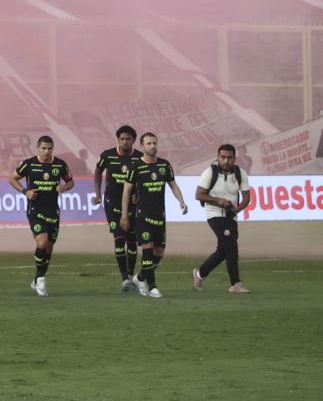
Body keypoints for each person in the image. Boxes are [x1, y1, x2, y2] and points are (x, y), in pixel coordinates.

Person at [122, 131, 187, 298]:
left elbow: (173, 185)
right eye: (149, 143)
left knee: (159, 252)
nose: (152, 146)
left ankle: (140, 277)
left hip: (160, 216)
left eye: (154, 143)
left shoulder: (164, 165)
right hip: (142, 216)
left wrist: (181, 201)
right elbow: (127, 190)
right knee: (148, 250)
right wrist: (124, 215)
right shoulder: (135, 166)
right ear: (142, 146)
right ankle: (152, 287)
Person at [13, 134, 73, 295]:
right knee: (42, 242)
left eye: (49, 148)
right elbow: (12, 178)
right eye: (43, 148)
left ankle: (37, 278)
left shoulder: (60, 165)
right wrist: (25, 191)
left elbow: (71, 181)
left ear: (53, 149)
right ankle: (40, 280)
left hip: (53, 211)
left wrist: (65, 187)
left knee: (49, 248)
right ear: (38, 148)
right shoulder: (29, 164)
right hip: (35, 210)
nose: (46, 151)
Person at [193, 143, 250, 294]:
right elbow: (199, 195)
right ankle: (235, 284)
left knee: (224, 249)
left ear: (234, 158)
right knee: (231, 247)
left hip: (231, 215)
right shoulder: (209, 172)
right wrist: (218, 200)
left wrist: (235, 210)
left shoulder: (240, 173)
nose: (226, 161)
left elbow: (246, 198)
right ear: (217, 157)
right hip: (214, 213)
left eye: (229, 158)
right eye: (223, 157)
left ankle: (200, 274)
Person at [94, 123, 144, 290]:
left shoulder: (139, 157)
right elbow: (97, 172)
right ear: (117, 139)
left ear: (134, 141)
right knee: (119, 239)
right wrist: (98, 194)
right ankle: (124, 278)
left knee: (131, 242)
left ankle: (130, 275)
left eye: (128, 139)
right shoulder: (108, 155)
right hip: (112, 203)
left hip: (132, 204)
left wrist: (139, 193)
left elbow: (143, 180)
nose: (124, 142)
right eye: (122, 139)